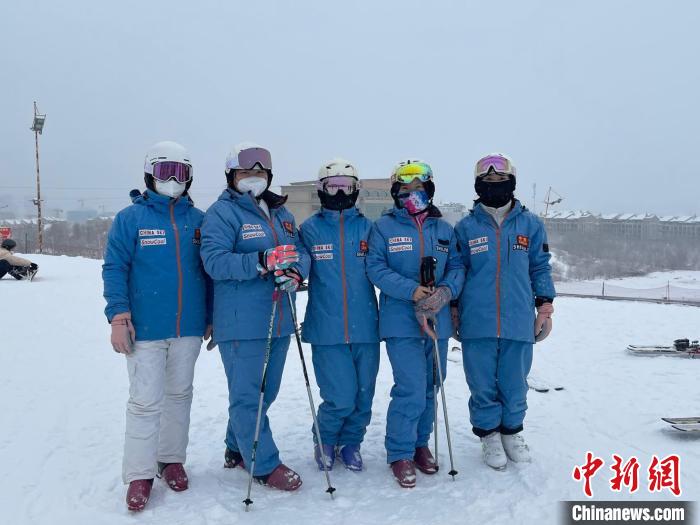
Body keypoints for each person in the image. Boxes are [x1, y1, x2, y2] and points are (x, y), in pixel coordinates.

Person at [102, 141, 212, 511]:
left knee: (180, 396)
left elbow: (207, 272)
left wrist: (210, 315)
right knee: (146, 402)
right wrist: (119, 317)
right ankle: (139, 474)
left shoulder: (197, 221)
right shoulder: (130, 219)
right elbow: (115, 268)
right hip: (144, 328)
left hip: (189, 327)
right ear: (150, 174)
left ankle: (170, 459)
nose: (173, 180)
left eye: (180, 173)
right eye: (165, 172)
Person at [200, 142, 310, 491]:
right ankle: (263, 464)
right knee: (249, 395)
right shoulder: (222, 213)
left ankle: (236, 445)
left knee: (267, 391)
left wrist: (296, 272)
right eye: (247, 172)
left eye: (260, 173)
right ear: (232, 176)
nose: (254, 178)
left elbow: (301, 253)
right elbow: (214, 261)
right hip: (241, 321)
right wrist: (261, 261)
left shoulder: (282, 214)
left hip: (278, 317)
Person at [454, 153, 555, 470]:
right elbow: (457, 270)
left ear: (512, 182)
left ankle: (511, 432)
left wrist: (545, 304)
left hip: (517, 319)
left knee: (514, 383)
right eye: (488, 182)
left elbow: (540, 267)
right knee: (482, 384)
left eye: (500, 181)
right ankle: (489, 436)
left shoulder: (530, 224)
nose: (494, 187)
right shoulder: (466, 228)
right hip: (477, 320)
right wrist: (455, 308)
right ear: (477, 185)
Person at [367, 159, 464, 488]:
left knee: (431, 386)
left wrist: (445, 292)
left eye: (418, 189)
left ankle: (420, 443)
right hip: (401, 321)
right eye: (404, 190)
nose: (412, 195)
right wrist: (412, 290)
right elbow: (376, 268)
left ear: (430, 190)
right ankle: (400, 452)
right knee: (410, 387)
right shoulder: (384, 228)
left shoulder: (444, 230)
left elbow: (458, 267)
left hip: (436, 321)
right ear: (395, 193)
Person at [298, 158, 380, 472]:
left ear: (356, 189)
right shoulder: (310, 229)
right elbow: (301, 263)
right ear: (321, 189)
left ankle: (351, 443)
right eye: (333, 186)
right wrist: (292, 271)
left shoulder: (368, 228)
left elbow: (383, 267)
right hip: (326, 327)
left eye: (347, 186)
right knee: (340, 396)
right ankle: (326, 440)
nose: (340, 191)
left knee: (362, 396)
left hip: (366, 329)